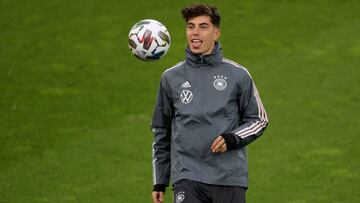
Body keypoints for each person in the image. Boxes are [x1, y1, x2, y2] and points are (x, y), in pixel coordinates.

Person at [151, 3, 268, 203]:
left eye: (203, 27)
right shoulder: (171, 78)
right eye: (190, 26)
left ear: (216, 33)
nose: (195, 33)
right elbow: (161, 130)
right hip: (187, 177)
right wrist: (160, 180)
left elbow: (259, 119)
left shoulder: (238, 75)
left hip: (229, 178)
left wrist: (232, 138)